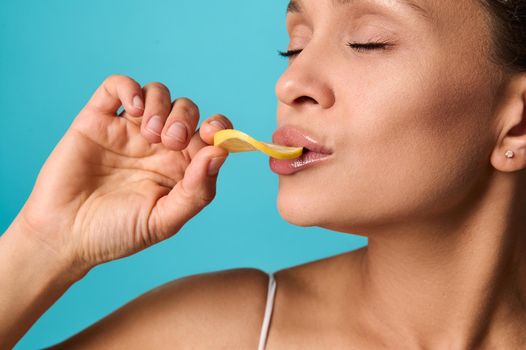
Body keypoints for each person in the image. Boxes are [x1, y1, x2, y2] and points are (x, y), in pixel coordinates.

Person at [2, 0, 526, 348]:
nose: (291, 80)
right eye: (295, 44)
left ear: (517, 125)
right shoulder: (218, 333)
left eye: (369, 42)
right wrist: (45, 244)